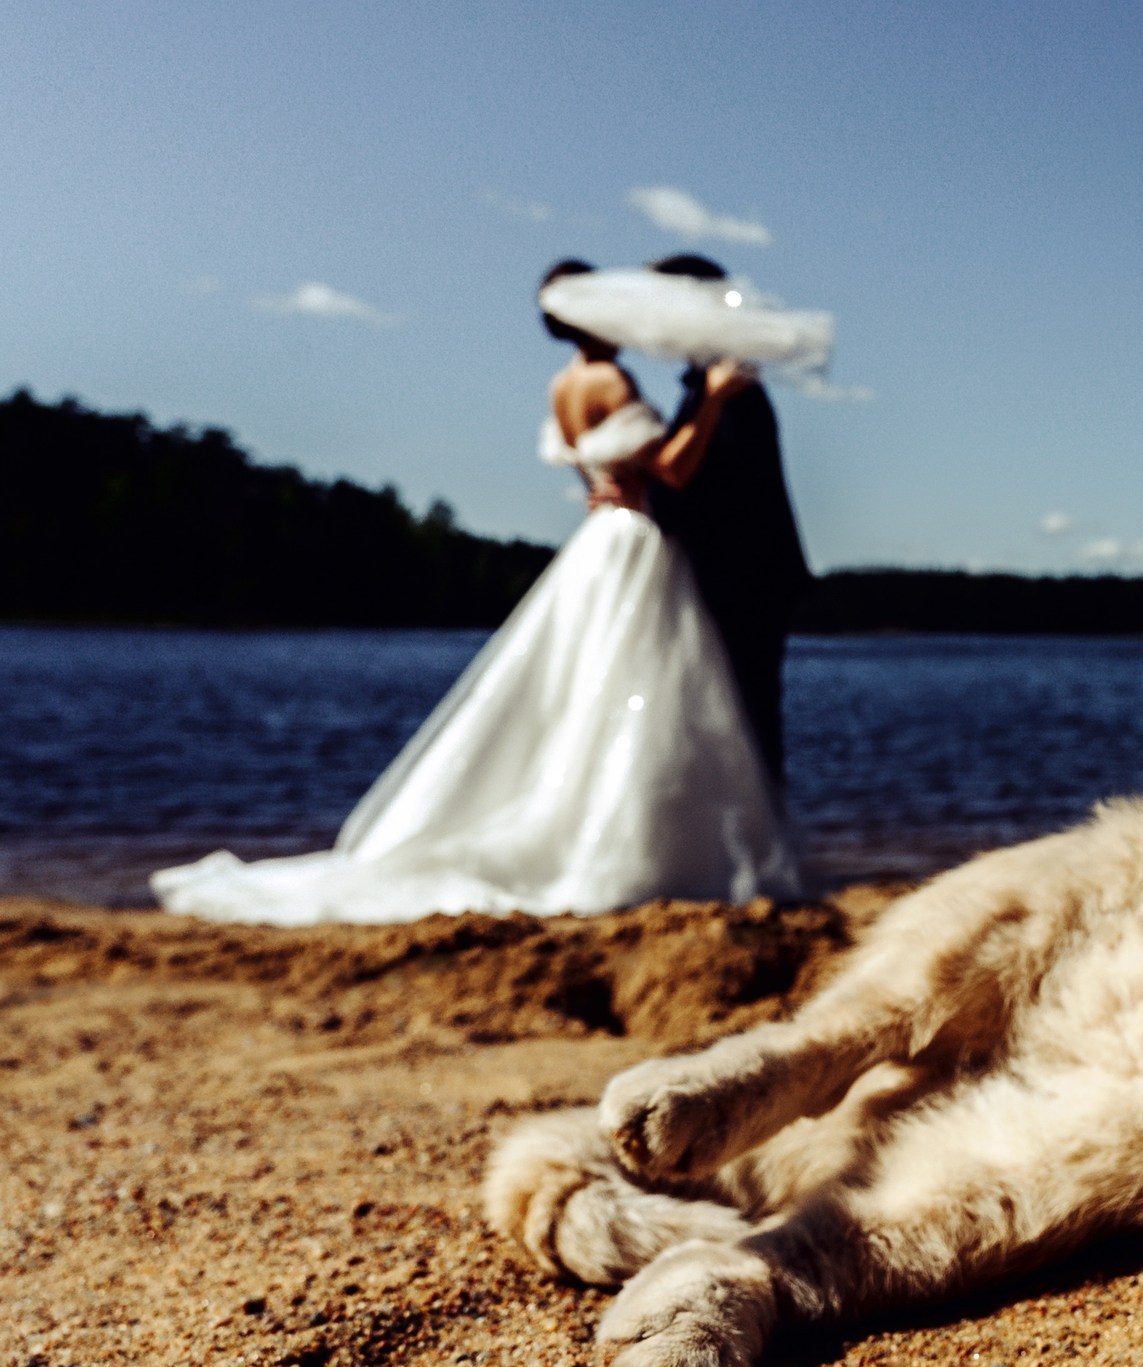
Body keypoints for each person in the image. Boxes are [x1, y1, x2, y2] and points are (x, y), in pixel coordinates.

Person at [150, 260, 802, 925]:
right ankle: (635, 846)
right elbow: (667, 467)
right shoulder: (613, 379)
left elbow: (606, 468)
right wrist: (711, 404)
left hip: (601, 542)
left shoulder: (563, 385)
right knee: (628, 692)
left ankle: (618, 837)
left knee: (585, 693)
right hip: (633, 541)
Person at [641, 252, 813, 784]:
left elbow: (711, 489)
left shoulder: (728, 387)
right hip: (739, 577)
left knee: (748, 713)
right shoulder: (712, 384)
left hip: (744, 580)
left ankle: (763, 848)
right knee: (735, 713)